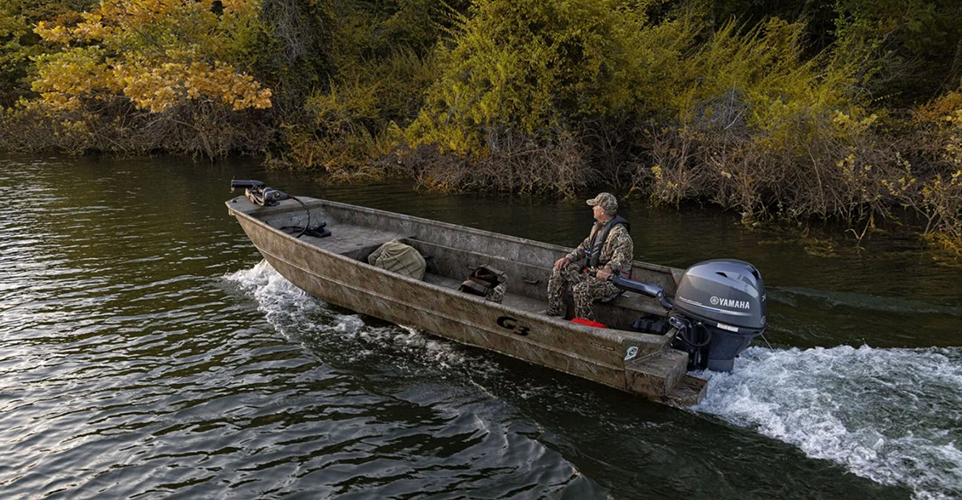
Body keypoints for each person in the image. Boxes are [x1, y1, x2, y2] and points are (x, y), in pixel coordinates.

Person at [545, 192, 633, 321]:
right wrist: (568, 258)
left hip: (613, 281)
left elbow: (620, 259)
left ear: (602, 211)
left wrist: (607, 269)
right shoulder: (598, 227)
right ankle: (555, 312)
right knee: (559, 269)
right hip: (593, 273)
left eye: (595, 206)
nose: (592, 208)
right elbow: (584, 246)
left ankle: (585, 325)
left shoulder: (620, 235)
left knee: (581, 289)